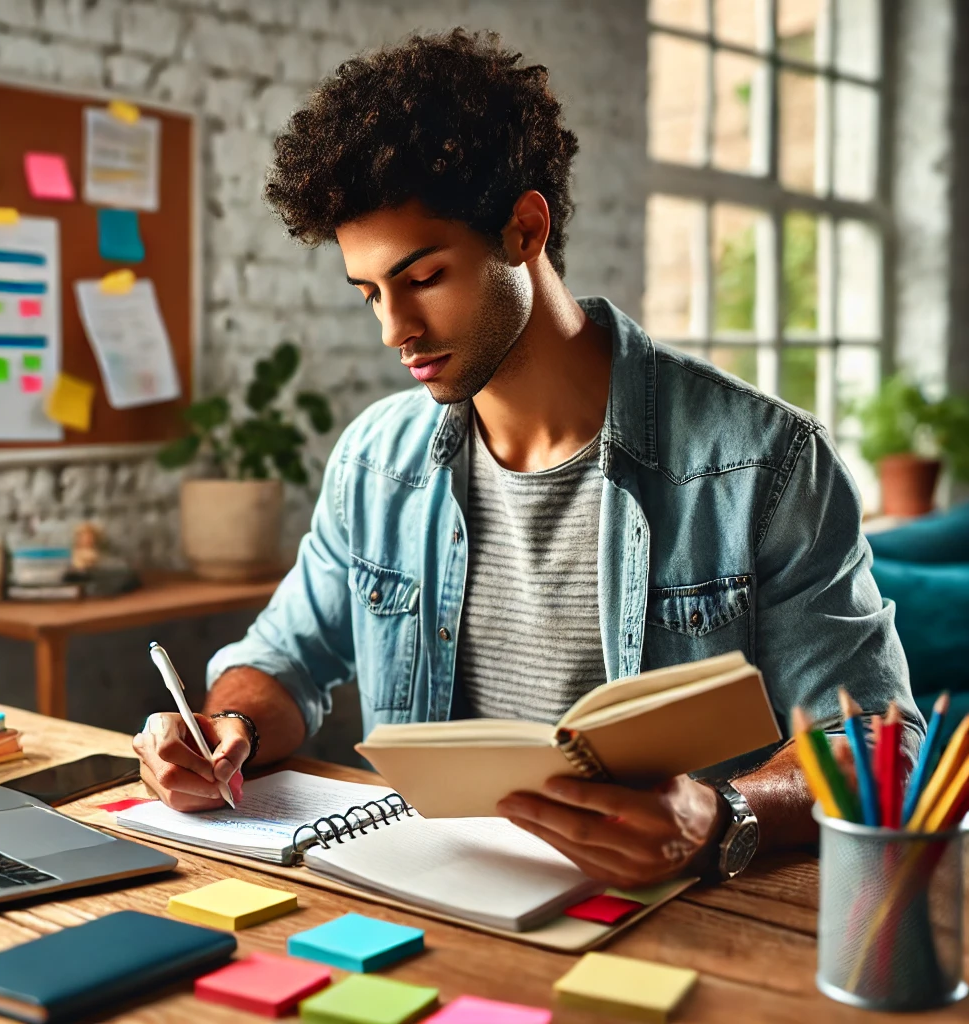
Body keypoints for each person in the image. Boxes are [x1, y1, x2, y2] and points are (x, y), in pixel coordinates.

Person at [135, 28, 923, 886]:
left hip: (676, 914)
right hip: (435, 902)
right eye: (370, 293)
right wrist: (227, 729)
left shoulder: (762, 464)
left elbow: (880, 745)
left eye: (423, 277)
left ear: (524, 228)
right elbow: (284, 661)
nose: (394, 329)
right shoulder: (376, 462)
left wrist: (722, 817)